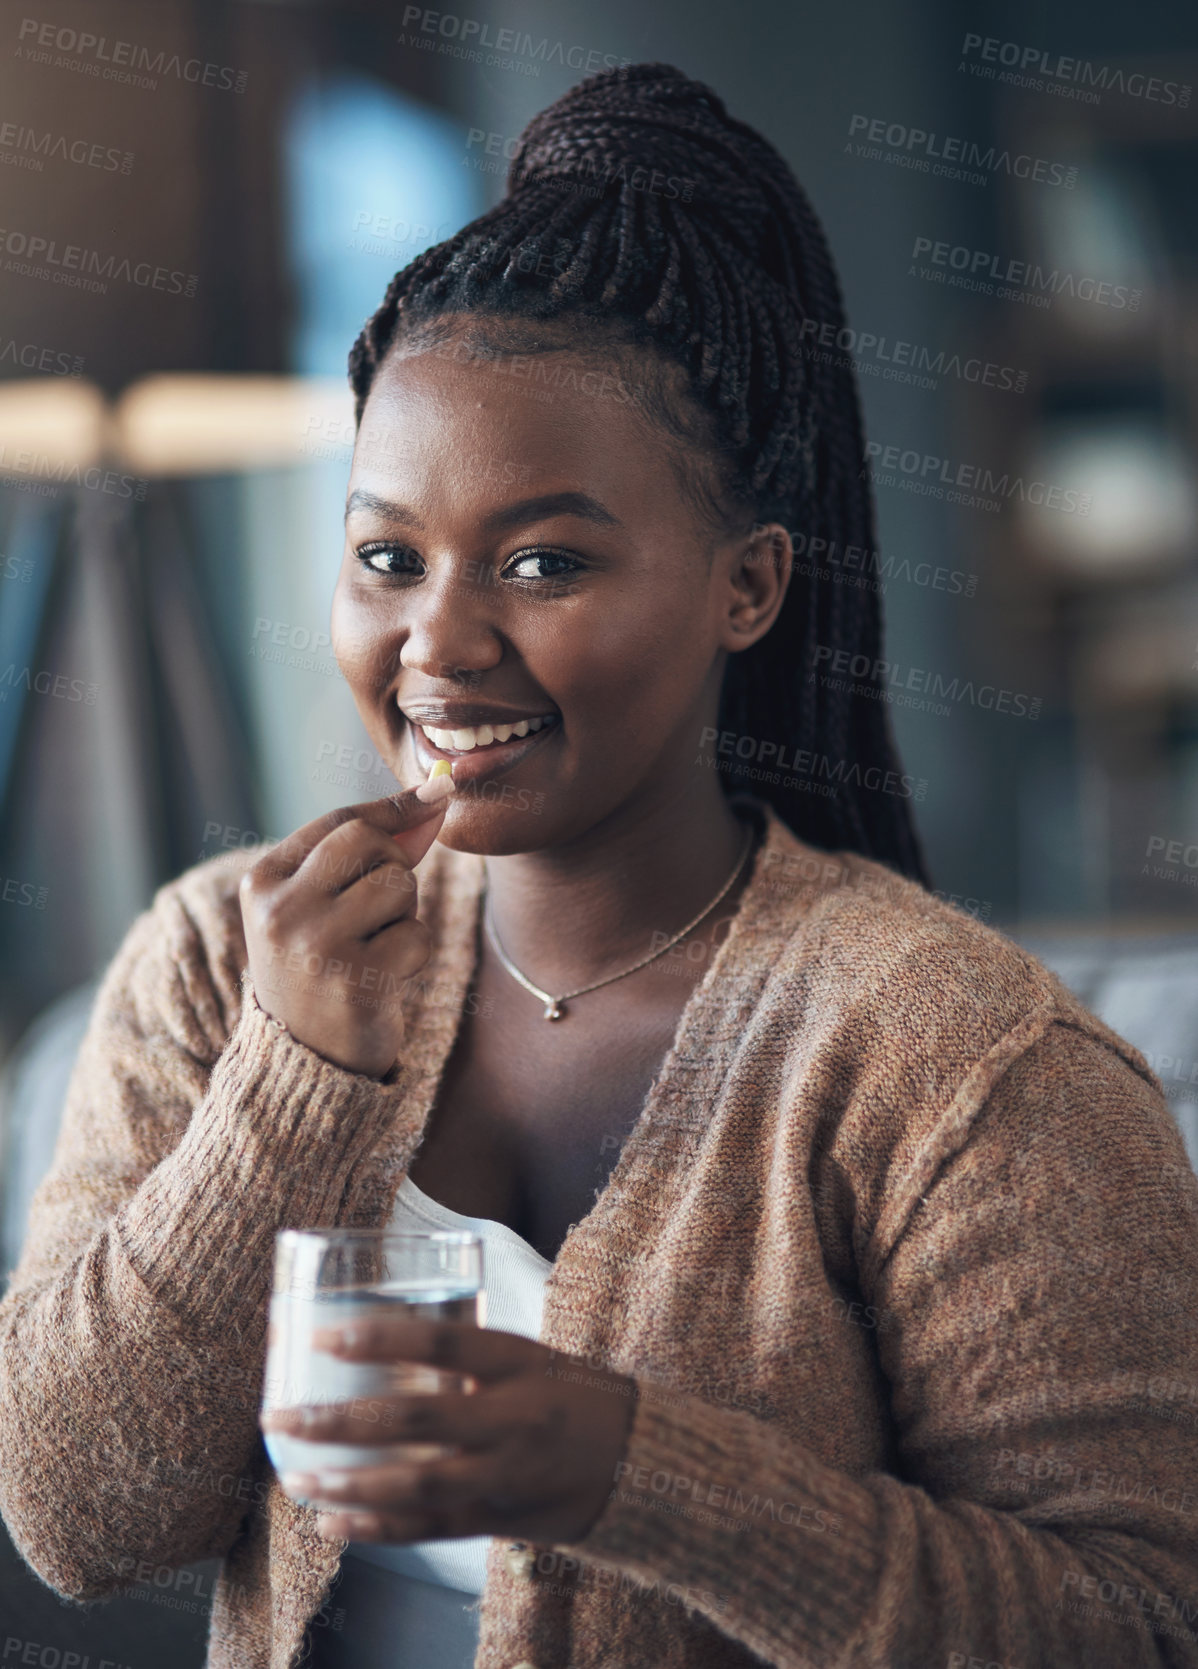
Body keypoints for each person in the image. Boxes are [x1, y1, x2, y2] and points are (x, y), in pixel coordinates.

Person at [2, 59, 1197, 1669]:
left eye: (543, 560)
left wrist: (631, 1472)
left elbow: (1131, 1624)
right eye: (384, 556)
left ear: (748, 587)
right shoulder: (220, 962)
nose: (437, 642)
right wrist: (283, 1088)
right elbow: (81, 1519)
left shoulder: (956, 1059)